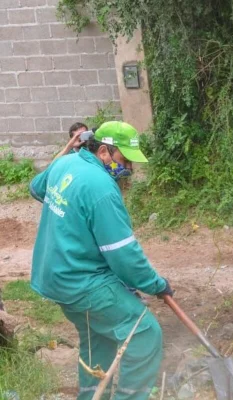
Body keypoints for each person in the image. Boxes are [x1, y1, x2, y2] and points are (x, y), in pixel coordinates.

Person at [29, 121, 170, 399]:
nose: (128, 169)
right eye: (125, 160)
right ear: (104, 151)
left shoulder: (64, 164)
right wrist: (156, 285)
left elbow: (36, 188)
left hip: (53, 276)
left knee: (99, 340)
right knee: (144, 333)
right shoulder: (102, 188)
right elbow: (123, 254)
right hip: (81, 281)